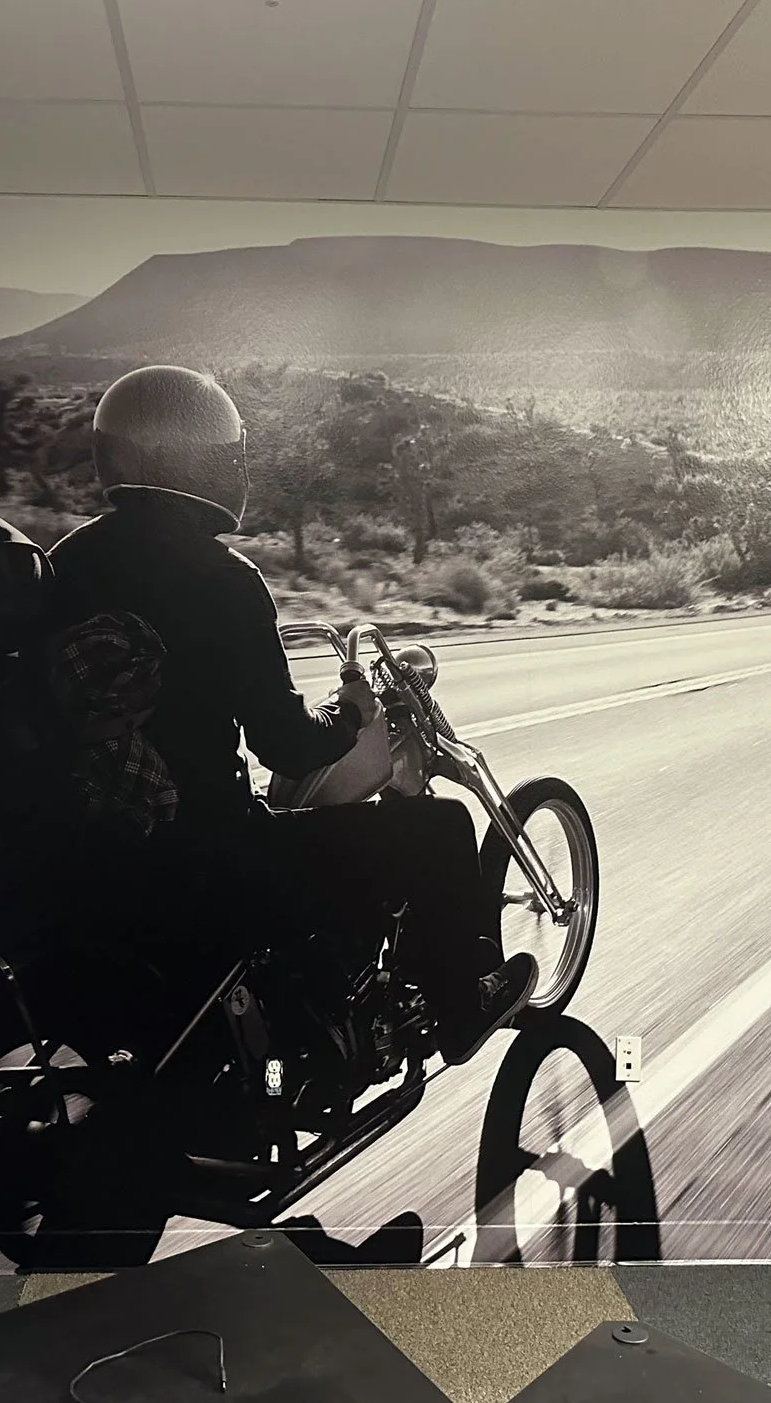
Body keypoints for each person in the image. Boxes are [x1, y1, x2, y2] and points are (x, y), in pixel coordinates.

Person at [48, 366, 536, 1067]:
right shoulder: (222, 581)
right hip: (205, 856)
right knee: (440, 827)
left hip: (95, 850)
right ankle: (462, 1010)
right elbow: (286, 748)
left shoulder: (65, 562)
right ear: (207, 461)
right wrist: (347, 717)